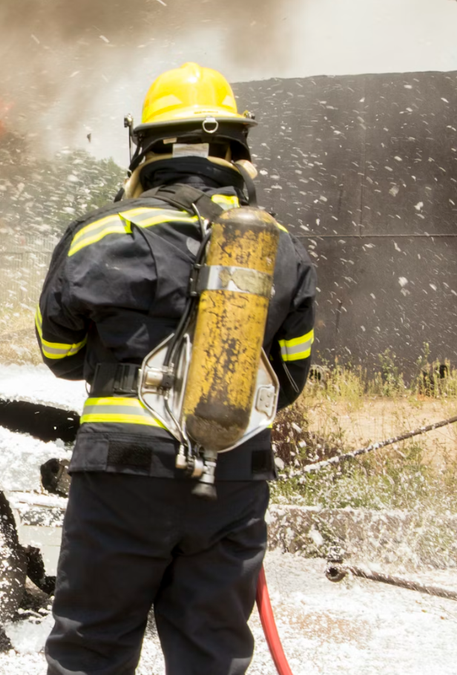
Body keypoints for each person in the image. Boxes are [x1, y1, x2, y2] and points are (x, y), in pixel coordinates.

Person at [37, 62, 317, 675]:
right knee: (211, 655)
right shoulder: (281, 247)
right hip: (232, 480)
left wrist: (121, 363)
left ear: (147, 147)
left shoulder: (97, 234)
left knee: (93, 648)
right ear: (236, 148)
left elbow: (57, 355)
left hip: (120, 477)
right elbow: (288, 381)